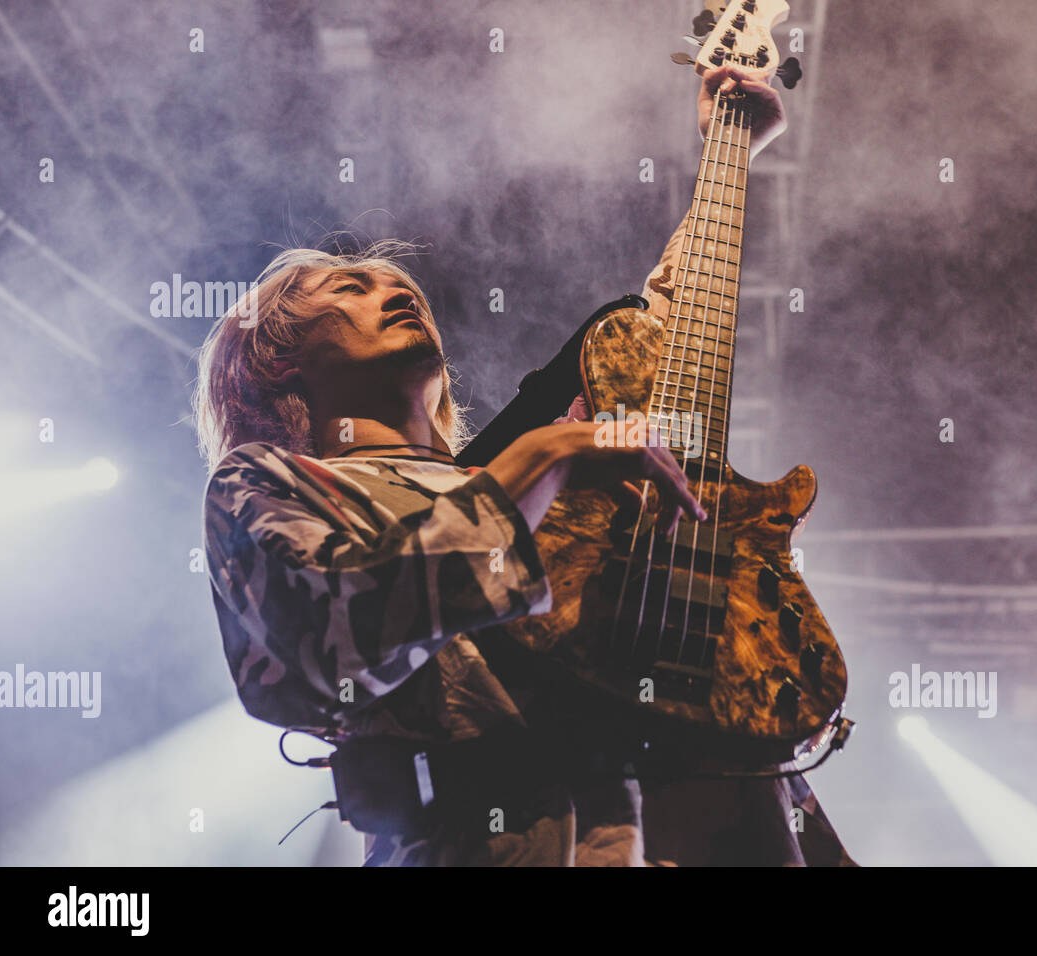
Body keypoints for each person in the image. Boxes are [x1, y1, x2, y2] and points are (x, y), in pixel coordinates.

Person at [195, 64, 856, 866]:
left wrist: (732, 147)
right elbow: (327, 646)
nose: (392, 289)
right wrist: (545, 453)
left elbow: (670, 333)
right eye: (350, 286)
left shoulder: (516, 480)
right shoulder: (270, 485)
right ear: (273, 360)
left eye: (396, 281)